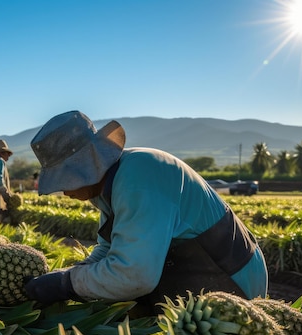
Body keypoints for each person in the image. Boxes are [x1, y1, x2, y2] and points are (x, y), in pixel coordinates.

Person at [24, 110, 268, 311]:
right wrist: (73, 272)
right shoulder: (111, 182)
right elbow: (108, 247)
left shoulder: (139, 176)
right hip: (188, 272)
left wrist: (67, 283)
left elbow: (134, 275)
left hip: (230, 280)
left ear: (85, 168)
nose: (63, 191)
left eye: (64, 180)